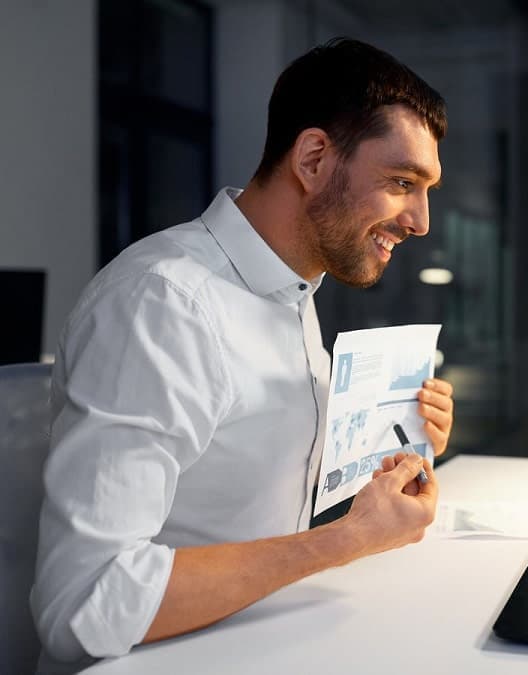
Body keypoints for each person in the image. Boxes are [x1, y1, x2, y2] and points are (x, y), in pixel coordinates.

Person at [31, 37, 453, 670]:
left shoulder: (291, 289)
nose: (420, 220)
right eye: (401, 183)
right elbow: (82, 605)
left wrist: (395, 444)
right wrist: (342, 542)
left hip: (261, 641)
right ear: (312, 160)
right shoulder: (162, 303)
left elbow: (252, 498)